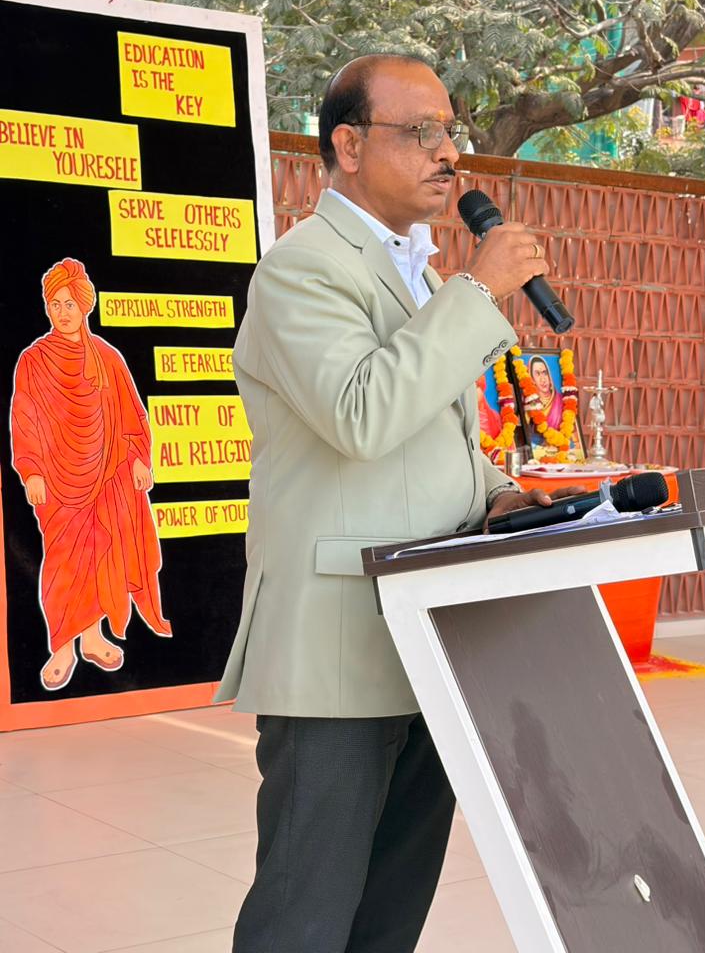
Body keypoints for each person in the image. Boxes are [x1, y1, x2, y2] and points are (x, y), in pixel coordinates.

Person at [216, 54, 572, 953]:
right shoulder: (301, 269)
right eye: (420, 132)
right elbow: (363, 415)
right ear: (347, 146)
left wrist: (500, 493)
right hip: (339, 647)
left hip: (431, 635)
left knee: (388, 917)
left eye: (449, 131)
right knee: (303, 919)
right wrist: (479, 291)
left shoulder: (417, 273)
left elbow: (427, 436)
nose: (447, 152)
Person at [11, 258, 171, 692]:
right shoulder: (33, 360)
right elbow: (24, 420)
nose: (63, 312)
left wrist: (138, 458)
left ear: (85, 306)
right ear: (46, 307)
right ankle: (62, 646)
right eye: (55, 304)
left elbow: (133, 416)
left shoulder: (107, 358)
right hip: (58, 482)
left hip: (106, 475)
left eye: (70, 304)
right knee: (63, 561)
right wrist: (31, 471)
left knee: (101, 556)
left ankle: (93, 637)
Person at [529, 354, 564, 429]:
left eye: (545, 373)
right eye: (537, 374)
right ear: (532, 379)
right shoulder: (530, 403)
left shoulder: (562, 401)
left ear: (549, 376)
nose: (543, 379)